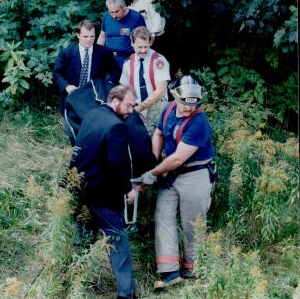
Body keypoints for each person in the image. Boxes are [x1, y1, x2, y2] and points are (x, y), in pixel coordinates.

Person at [133, 75, 216, 289]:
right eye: (185, 104)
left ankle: (193, 267)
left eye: (194, 105)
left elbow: (179, 157)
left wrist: (152, 173)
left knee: (192, 224)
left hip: (194, 175)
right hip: (169, 174)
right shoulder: (168, 109)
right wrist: (153, 159)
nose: (189, 109)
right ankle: (169, 273)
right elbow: (159, 133)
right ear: (175, 97)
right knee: (163, 217)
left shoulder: (200, 123)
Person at [69, 85, 139, 299]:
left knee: (82, 239)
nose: (132, 110)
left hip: (79, 188)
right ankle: (126, 294)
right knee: (118, 241)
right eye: (129, 105)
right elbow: (117, 164)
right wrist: (129, 189)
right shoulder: (117, 126)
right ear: (115, 101)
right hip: (103, 194)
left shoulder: (92, 114)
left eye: (134, 105)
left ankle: (74, 285)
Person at [53, 19, 120, 116]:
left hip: (95, 97)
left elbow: (116, 72)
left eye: (92, 36)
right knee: (72, 127)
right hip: (72, 96)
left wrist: (105, 87)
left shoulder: (104, 53)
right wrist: (67, 87)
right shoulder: (66, 53)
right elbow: (57, 74)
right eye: (85, 36)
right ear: (78, 35)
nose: (89, 40)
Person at [119, 26, 170, 130]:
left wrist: (139, 108)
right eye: (139, 47)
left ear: (150, 42)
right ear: (132, 43)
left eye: (146, 47)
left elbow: (160, 91)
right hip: (136, 108)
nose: (143, 50)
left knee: (157, 140)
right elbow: (123, 90)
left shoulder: (159, 61)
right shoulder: (128, 63)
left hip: (157, 107)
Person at [97, 0, 146, 68]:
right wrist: (97, 53)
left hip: (128, 59)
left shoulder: (136, 18)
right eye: (111, 12)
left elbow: (143, 40)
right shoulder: (106, 16)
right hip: (108, 57)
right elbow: (102, 36)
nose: (114, 16)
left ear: (124, 7)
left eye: (116, 12)